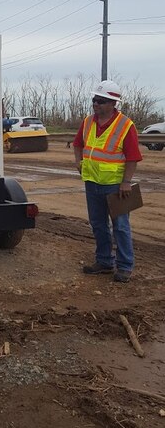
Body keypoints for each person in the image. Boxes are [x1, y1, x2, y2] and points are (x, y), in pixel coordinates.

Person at [73, 80, 142, 283]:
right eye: (94, 100)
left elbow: (132, 157)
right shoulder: (87, 122)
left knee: (120, 226)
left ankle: (125, 266)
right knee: (98, 225)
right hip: (92, 182)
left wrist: (126, 182)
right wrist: (79, 162)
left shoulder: (125, 125)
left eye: (101, 101)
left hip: (115, 185)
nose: (96, 104)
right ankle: (104, 261)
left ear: (113, 103)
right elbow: (78, 144)